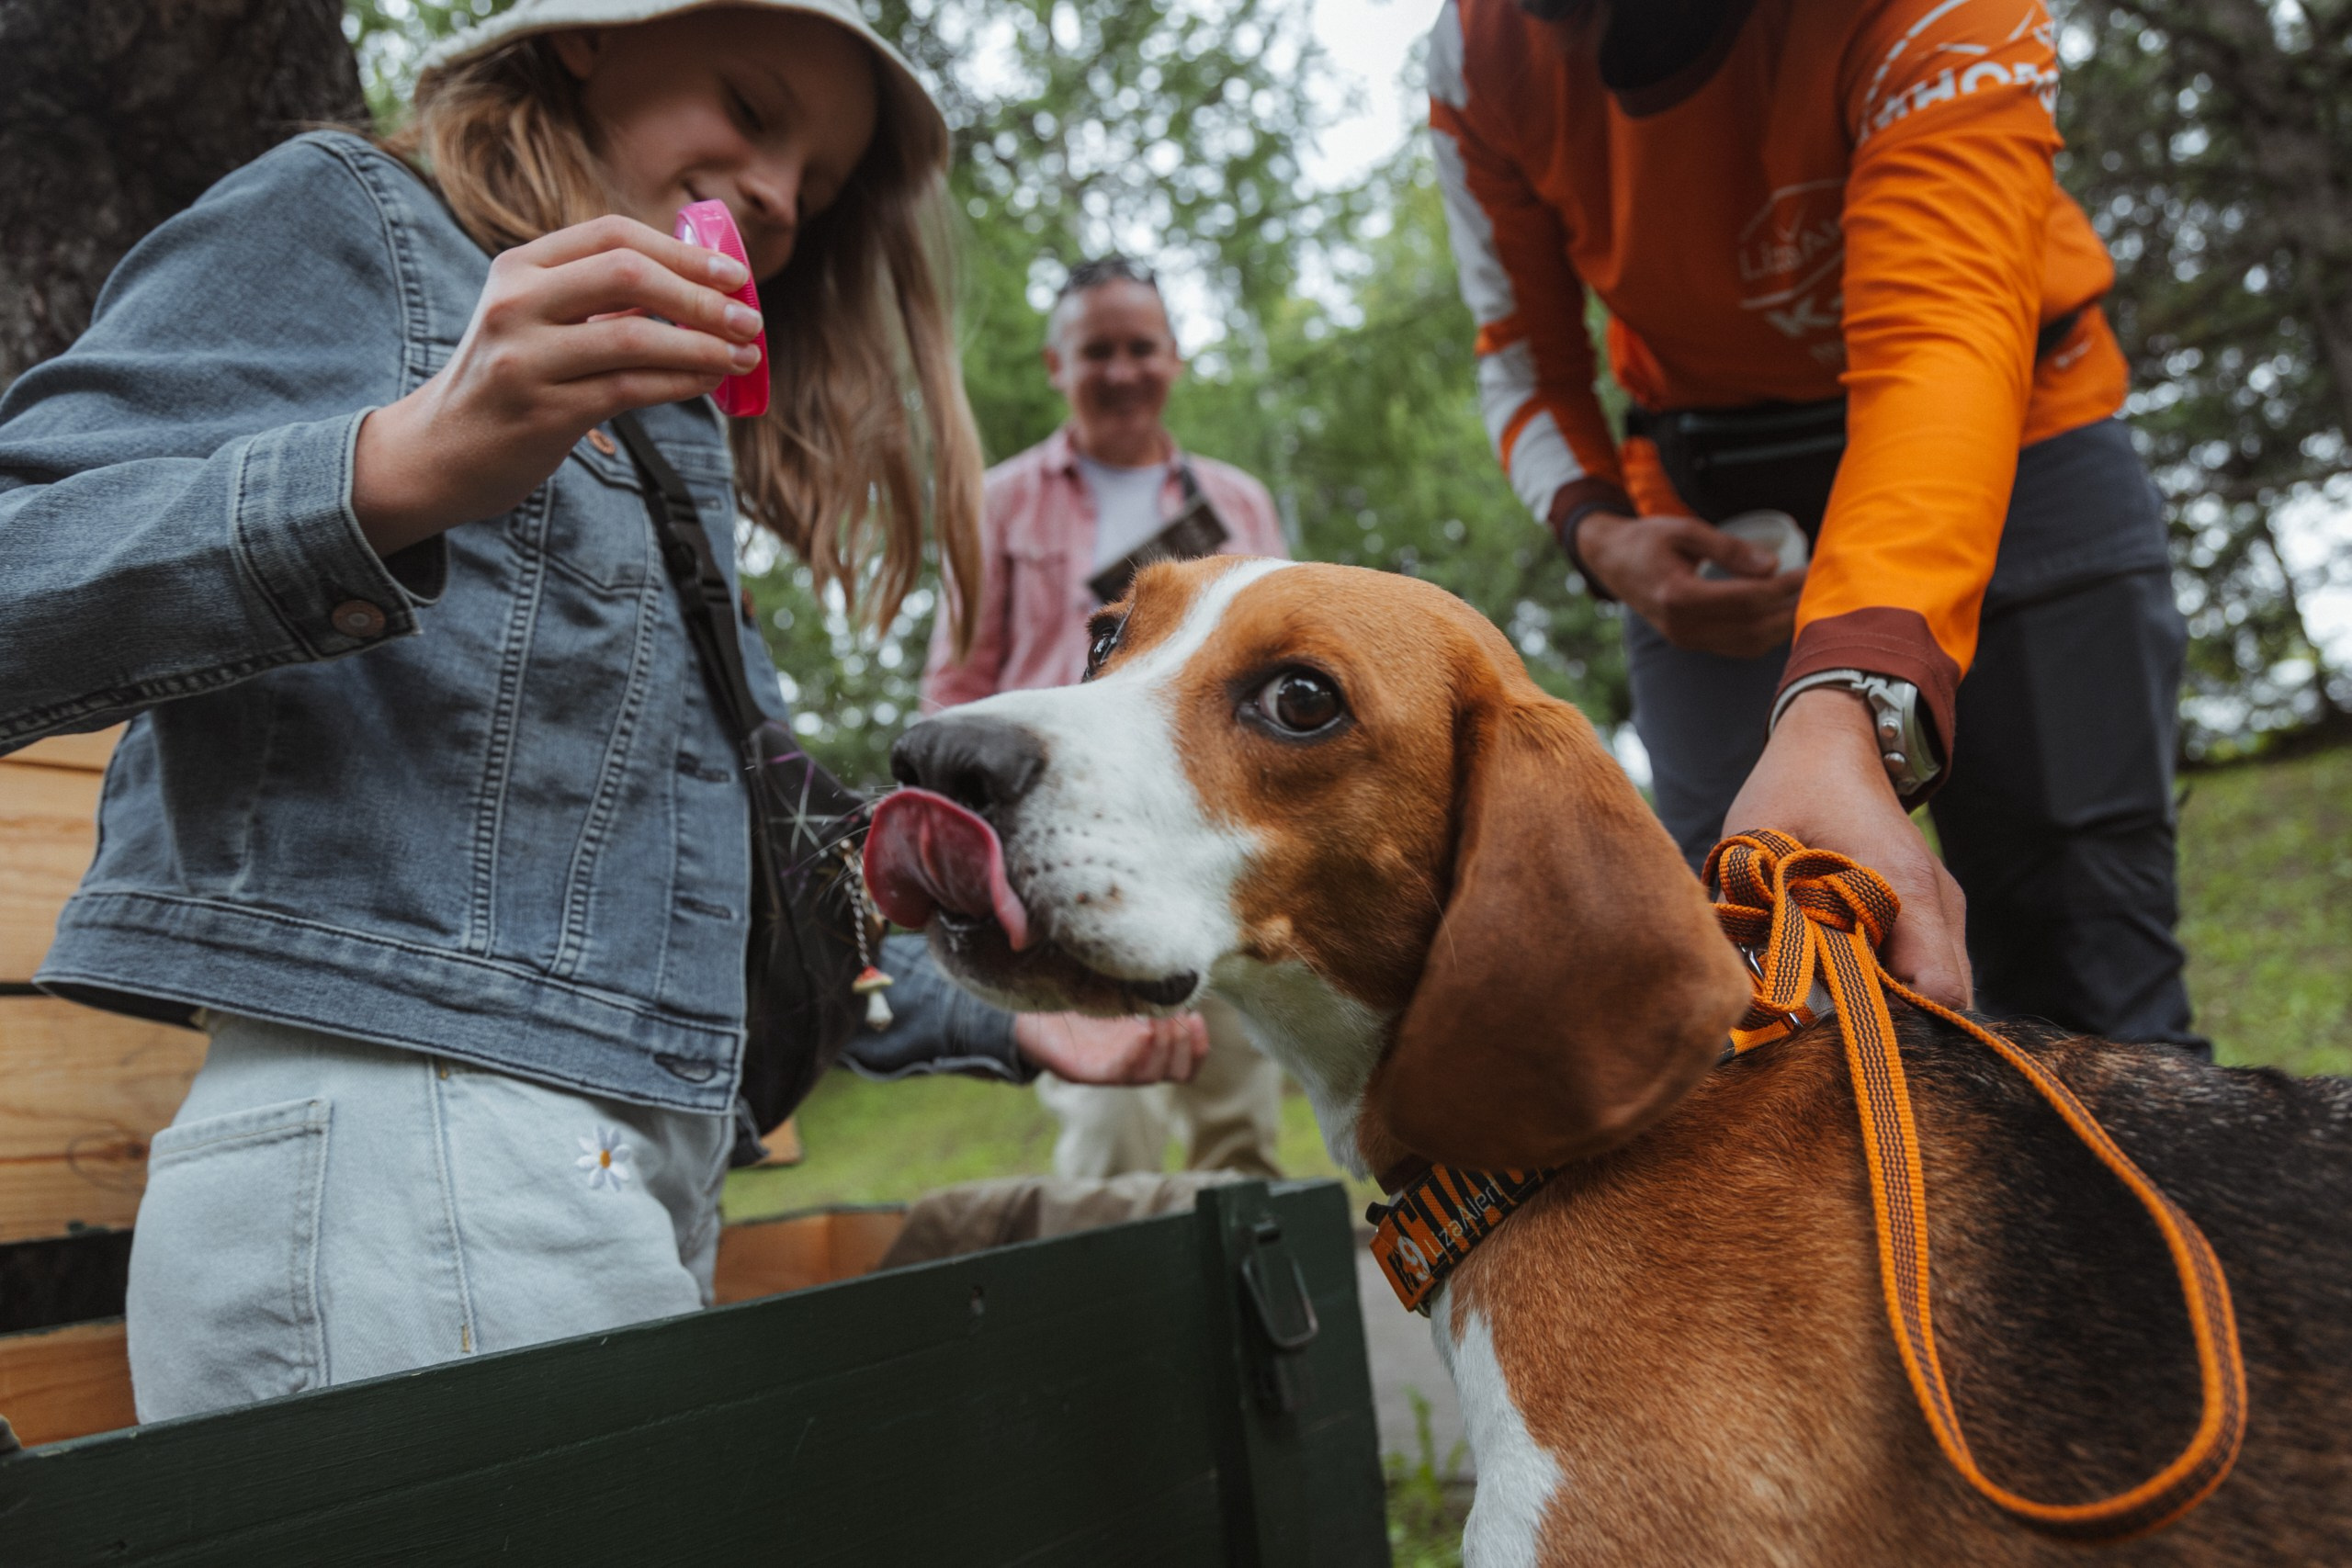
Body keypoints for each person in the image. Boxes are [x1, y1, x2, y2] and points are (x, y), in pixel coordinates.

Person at [0, 0, 1204, 1424]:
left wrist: (1003, 1025)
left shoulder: (658, 423)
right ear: (584, 38)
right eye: (751, 109)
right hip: (412, 1151)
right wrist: (396, 464)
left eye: (814, 191)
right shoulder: (352, 222)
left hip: (628, 1165)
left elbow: (731, 841)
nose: (773, 194)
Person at [1429, 0, 2201, 1048]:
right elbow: (1522, 352)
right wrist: (1602, 537)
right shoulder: (1477, 53)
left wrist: (1844, 703)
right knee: (1749, 994)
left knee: (2094, 983)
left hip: (2019, 436)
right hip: (1709, 507)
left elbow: (1941, 335)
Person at [923, 256, 1294, 1179]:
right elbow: (956, 685)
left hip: (1204, 846)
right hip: (1056, 855)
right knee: (1109, 1141)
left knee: (1238, 1128)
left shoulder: (1237, 502)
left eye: (1141, 347)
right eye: (1098, 351)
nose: (1121, 370)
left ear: (1173, 357)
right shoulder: (998, 502)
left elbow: (1284, 672)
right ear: (1058, 365)